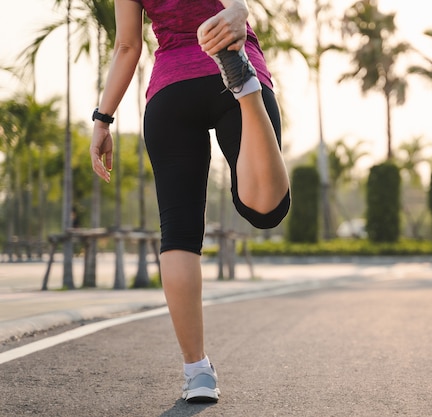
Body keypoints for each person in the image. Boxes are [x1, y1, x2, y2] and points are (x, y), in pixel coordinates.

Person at [89, 0, 291, 403]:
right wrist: (238, 13)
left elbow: (127, 46)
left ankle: (197, 372)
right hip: (232, 54)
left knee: (179, 236)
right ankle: (245, 91)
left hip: (171, 89)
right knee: (266, 210)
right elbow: (234, 6)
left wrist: (102, 119)